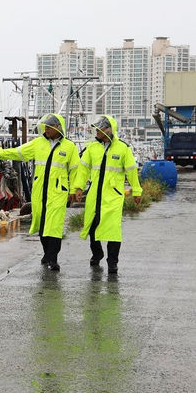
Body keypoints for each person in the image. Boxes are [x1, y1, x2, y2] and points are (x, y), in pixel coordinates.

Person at [0, 113, 79, 270]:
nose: (46, 130)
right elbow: (18, 152)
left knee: (54, 226)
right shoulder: (38, 143)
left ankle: (53, 258)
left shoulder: (69, 147)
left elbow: (76, 170)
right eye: (45, 127)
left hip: (58, 192)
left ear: (58, 128)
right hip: (39, 191)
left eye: (49, 127)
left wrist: (75, 189)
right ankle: (46, 253)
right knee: (43, 225)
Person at [73, 115, 142, 275]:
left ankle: (112, 262)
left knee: (113, 230)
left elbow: (132, 172)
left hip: (113, 197)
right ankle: (97, 254)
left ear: (109, 130)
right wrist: (78, 188)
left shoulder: (123, 149)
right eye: (96, 129)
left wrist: (137, 191)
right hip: (94, 196)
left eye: (100, 129)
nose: (96, 131)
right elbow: (83, 170)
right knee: (92, 226)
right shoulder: (92, 148)